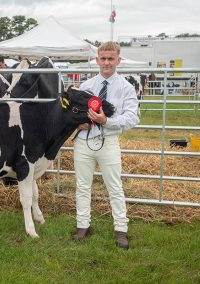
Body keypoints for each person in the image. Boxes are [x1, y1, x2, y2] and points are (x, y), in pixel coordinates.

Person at [72, 41, 139, 250]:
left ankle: (121, 229)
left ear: (118, 60)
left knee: (115, 187)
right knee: (82, 186)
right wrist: (78, 121)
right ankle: (83, 225)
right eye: (103, 58)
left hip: (109, 142)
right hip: (83, 142)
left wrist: (106, 122)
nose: (107, 62)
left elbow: (132, 118)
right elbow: (73, 111)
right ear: (97, 60)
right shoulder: (86, 86)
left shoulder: (126, 88)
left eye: (111, 58)